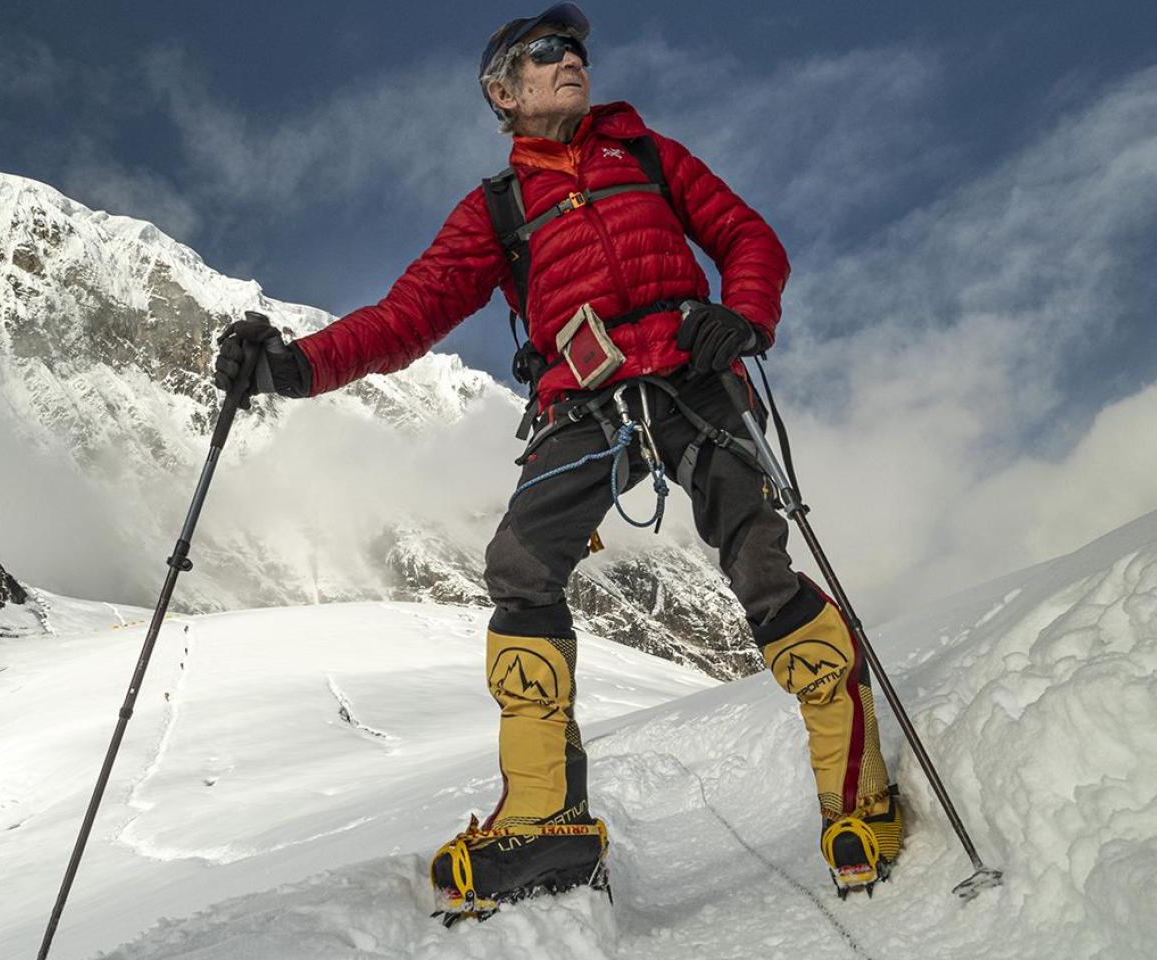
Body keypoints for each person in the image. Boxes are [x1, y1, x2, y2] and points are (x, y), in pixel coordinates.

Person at [213, 2, 901, 922]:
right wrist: (292, 367)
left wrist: (744, 312)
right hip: (582, 404)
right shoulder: (497, 209)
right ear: (503, 92)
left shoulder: (650, 156)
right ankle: (545, 823)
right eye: (542, 52)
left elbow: (748, 237)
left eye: (573, 47)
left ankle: (857, 801)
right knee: (522, 568)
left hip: (695, 377)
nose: (568, 58)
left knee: (758, 566)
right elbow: (407, 316)